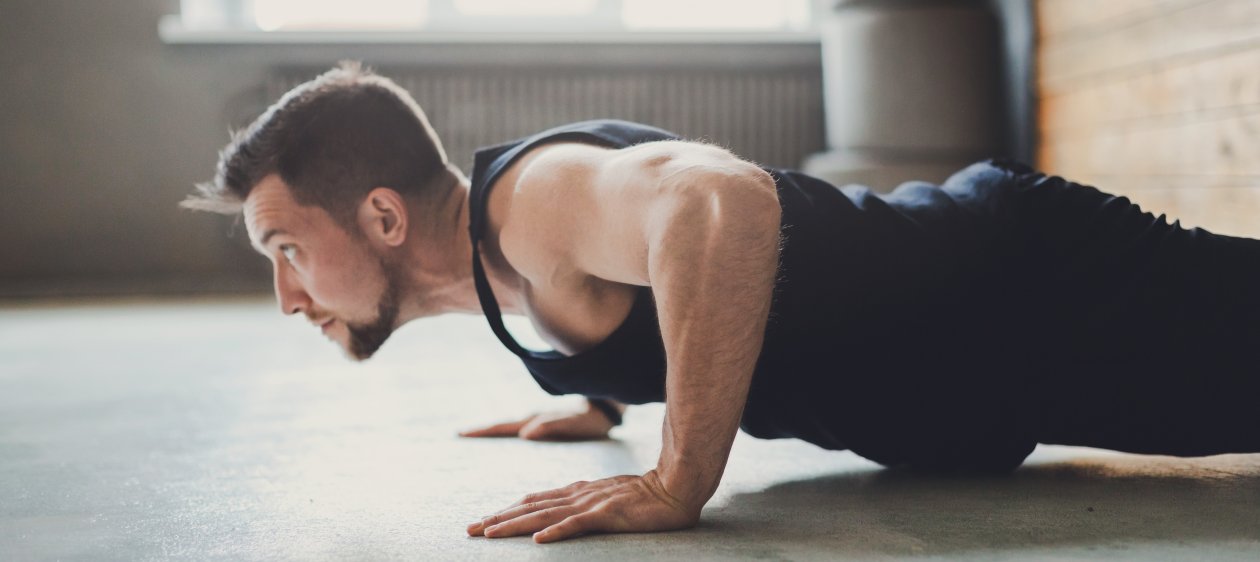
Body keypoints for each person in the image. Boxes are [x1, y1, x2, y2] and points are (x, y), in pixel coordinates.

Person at [183, 62, 1260, 543]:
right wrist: (599, 400)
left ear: (380, 219)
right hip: (1003, 377)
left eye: (285, 247)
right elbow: (626, 292)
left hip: (1033, 290)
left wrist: (678, 476)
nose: (285, 295)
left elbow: (721, 203)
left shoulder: (534, 200)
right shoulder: (496, 269)